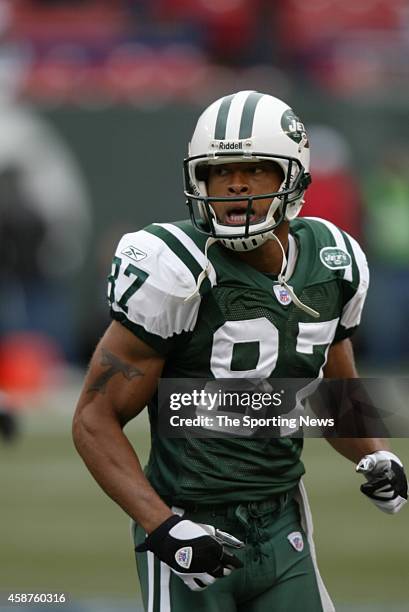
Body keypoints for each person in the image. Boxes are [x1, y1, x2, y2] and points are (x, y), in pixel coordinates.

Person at [72, 91, 407, 612]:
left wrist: (375, 452)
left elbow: (332, 389)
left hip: (283, 524)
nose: (235, 184)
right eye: (219, 171)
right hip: (190, 524)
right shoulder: (175, 267)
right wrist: (164, 526)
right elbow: (94, 417)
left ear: (293, 176)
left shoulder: (333, 261)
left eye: (255, 169)